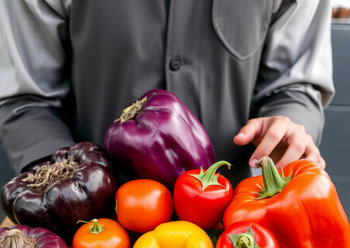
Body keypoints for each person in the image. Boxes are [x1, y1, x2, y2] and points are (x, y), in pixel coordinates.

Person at [0, 0, 334, 186]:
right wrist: (63, 192)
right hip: (92, 240)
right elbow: (27, 99)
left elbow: (295, 83)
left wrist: (289, 124)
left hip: (241, 230)